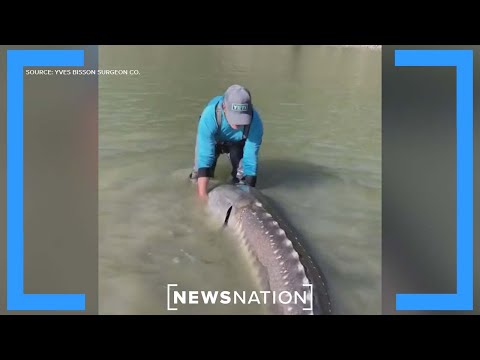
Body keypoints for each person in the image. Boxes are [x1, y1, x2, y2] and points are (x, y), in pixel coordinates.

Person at [189, 84, 264, 200]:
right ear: (224, 107)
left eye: (243, 117)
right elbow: (205, 157)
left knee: (242, 178)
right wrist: (202, 198)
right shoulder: (209, 116)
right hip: (214, 141)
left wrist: (250, 196)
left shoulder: (255, 122)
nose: (238, 122)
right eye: (235, 116)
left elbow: (250, 159)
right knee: (197, 177)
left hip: (237, 143)